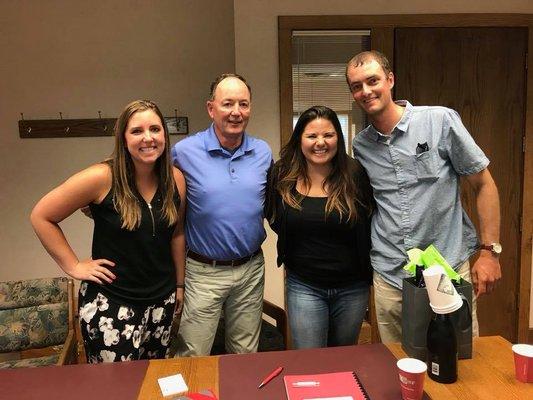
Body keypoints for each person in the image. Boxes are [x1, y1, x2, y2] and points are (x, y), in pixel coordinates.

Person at [345, 50, 502, 343]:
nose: (366, 91)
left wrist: (489, 252)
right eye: (356, 86)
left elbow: (484, 184)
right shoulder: (362, 145)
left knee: (460, 362)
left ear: (390, 80)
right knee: (399, 364)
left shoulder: (439, 121)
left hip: (447, 267)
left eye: (372, 80)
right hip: (392, 274)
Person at [31, 100, 186, 363]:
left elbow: (177, 233)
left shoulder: (176, 179)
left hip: (161, 303)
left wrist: (180, 285)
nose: (148, 138)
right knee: (114, 388)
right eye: (137, 131)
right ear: (123, 138)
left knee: (151, 382)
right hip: (112, 305)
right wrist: (74, 265)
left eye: (155, 129)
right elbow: (41, 216)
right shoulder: (101, 177)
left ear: (165, 135)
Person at [171, 73, 272, 356]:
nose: (236, 112)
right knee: (194, 353)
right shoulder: (184, 152)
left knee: (245, 353)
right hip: (204, 271)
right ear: (211, 108)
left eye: (244, 104)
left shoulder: (262, 152)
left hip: (250, 268)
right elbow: (154, 192)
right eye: (228, 104)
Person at [266, 106, 373, 349]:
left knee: (342, 358)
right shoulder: (282, 174)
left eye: (328, 135)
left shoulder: (355, 174)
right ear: (299, 139)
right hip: (304, 285)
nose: (320, 143)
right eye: (312, 136)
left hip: (352, 288)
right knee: (310, 361)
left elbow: (369, 219)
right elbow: (273, 216)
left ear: (339, 137)